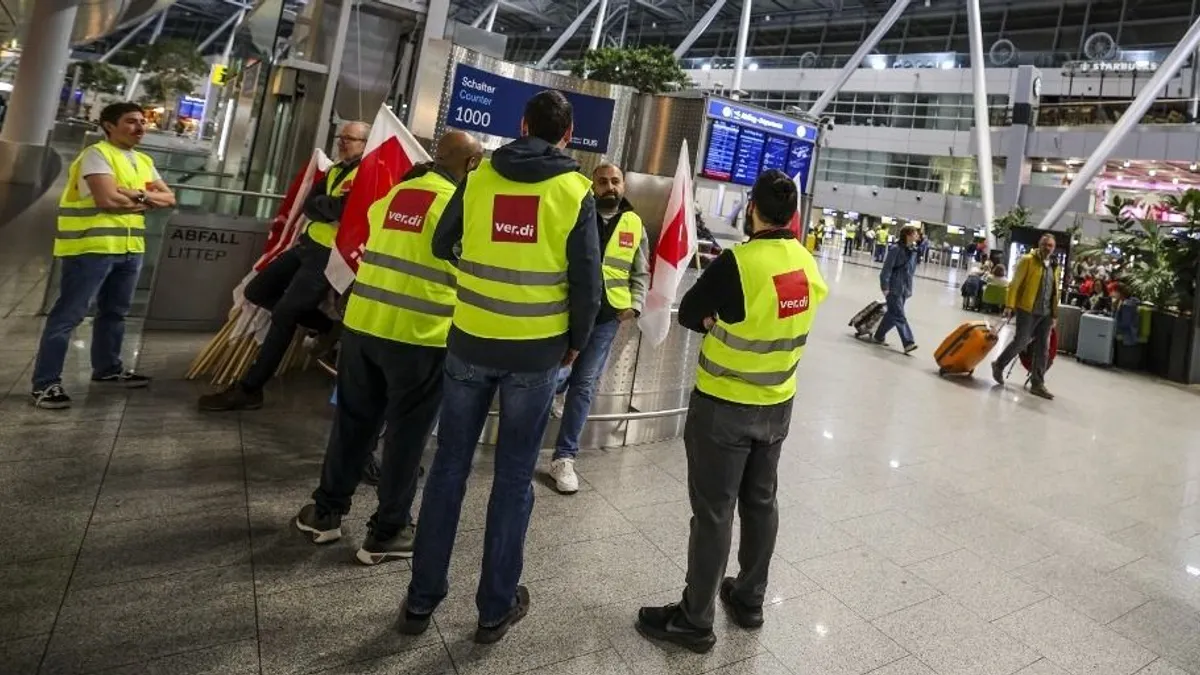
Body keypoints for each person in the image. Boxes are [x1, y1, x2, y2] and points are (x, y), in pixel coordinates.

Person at [401, 91, 601, 644]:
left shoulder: (482, 175)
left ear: (521, 125)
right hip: (536, 354)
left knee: (448, 468)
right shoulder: (574, 189)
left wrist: (481, 274)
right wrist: (575, 342)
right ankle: (494, 610)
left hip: (469, 343)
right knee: (513, 478)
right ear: (568, 135)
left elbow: (443, 242)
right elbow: (587, 281)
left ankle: (421, 601)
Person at [634, 170, 828, 653]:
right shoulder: (807, 263)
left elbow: (688, 314)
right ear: (793, 215)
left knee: (714, 512)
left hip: (724, 405)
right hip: (778, 404)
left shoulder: (737, 263)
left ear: (753, 210)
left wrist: (716, 318)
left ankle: (694, 621)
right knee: (762, 502)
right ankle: (748, 598)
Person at [292, 131, 483, 565]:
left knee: (353, 426)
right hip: (420, 336)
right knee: (406, 438)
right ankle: (388, 531)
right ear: (471, 165)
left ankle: (325, 514)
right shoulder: (462, 208)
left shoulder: (396, 196)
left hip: (363, 328)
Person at [198, 121, 370, 411]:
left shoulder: (367, 174)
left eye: (349, 139)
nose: (342, 142)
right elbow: (311, 205)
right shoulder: (336, 170)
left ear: (366, 144)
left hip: (329, 254)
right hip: (306, 245)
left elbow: (342, 210)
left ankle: (251, 388)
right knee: (257, 290)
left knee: (285, 315)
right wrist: (326, 207)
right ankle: (328, 327)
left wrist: (326, 207)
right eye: (340, 137)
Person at [32, 102, 176, 409]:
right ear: (109, 125)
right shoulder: (96, 155)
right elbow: (107, 199)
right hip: (91, 249)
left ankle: (107, 369)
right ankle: (45, 383)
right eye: (131, 122)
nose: (140, 128)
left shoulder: (143, 161)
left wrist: (135, 195)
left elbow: (169, 198)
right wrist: (143, 200)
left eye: (142, 122)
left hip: (129, 249)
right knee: (68, 315)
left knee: (115, 313)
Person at [547, 162, 648, 494]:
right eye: (603, 181)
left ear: (624, 186)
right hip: (567, 313)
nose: (610, 187)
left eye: (615, 181)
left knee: (585, 384)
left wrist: (634, 305)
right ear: (592, 186)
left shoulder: (634, 223)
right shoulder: (575, 214)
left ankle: (564, 457)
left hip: (606, 317)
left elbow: (640, 271)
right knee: (550, 375)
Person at [991, 234, 1060, 400]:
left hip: (1046, 313)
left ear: (1054, 247)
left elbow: (1055, 291)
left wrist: (1054, 314)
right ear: (1039, 245)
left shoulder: (1054, 266)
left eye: (1050, 245)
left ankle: (1037, 383)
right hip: (1027, 309)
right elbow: (1015, 284)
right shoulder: (1027, 260)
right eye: (1045, 245)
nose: (1047, 248)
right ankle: (999, 364)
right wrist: (1009, 305)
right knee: (1021, 341)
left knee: (1043, 348)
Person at [871, 225, 921, 354]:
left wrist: (909, 288)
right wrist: (885, 286)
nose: (917, 236)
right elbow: (886, 270)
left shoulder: (914, 251)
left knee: (892, 315)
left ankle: (878, 336)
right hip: (894, 287)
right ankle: (908, 342)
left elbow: (911, 272)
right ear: (908, 235)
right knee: (899, 315)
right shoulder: (895, 249)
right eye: (915, 233)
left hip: (904, 288)